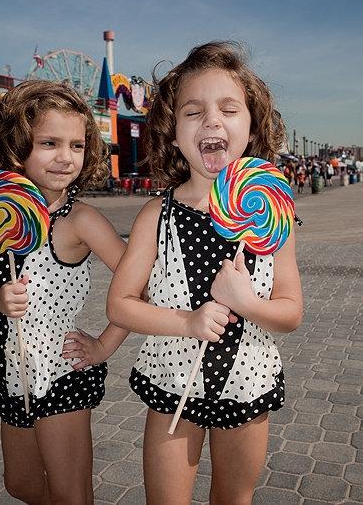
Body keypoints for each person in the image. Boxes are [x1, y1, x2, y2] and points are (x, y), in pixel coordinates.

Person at [107, 42, 303, 505]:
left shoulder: (275, 215)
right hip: (172, 382)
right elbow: (119, 304)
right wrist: (188, 322)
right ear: (172, 133)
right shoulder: (158, 214)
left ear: (251, 126)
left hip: (247, 383)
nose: (212, 121)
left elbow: (290, 312)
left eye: (229, 109)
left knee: (234, 498)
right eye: (193, 112)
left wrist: (248, 302)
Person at [0, 80, 128, 505]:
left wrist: (103, 344)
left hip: (59, 374)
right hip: (9, 375)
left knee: (71, 494)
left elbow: (142, 284)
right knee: (22, 485)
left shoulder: (79, 220)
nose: (66, 157)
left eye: (77, 145)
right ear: (16, 144)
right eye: (49, 143)